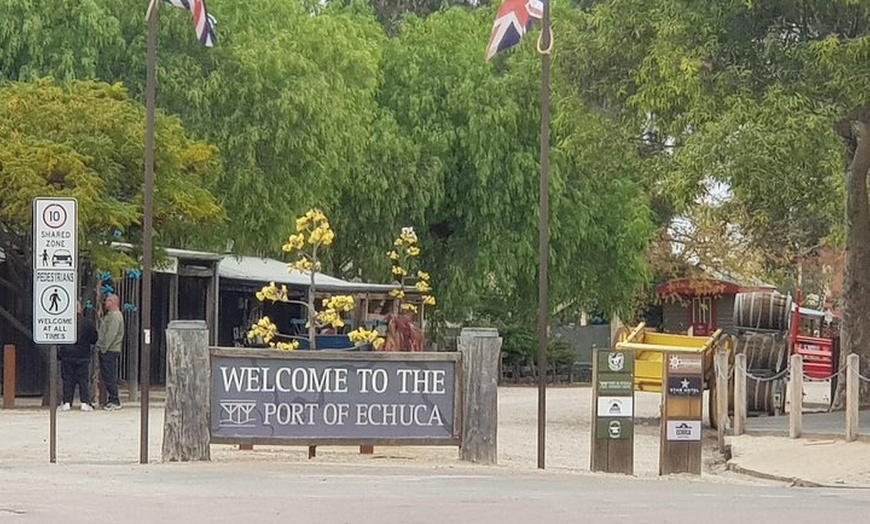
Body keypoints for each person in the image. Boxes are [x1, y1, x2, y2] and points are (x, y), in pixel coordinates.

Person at [58, 301, 98, 411]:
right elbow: (94, 338)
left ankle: (67, 402)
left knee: (67, 379)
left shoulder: (65, 322)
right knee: (83, 380)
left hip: (67, 354)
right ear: (80, 309)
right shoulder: (88, 323)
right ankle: (85, 402)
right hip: (83, 355)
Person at [96, 293, 124, 410]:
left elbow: (110, 334)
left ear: (113, 302)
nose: (105, 303)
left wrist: (103, 348)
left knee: (109, 375)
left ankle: (114, 399)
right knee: (107, 375)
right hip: (109, 349)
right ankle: (112, 398)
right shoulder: (110, 315)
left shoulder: (115, 316)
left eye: (107, 301)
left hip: (110, 349)